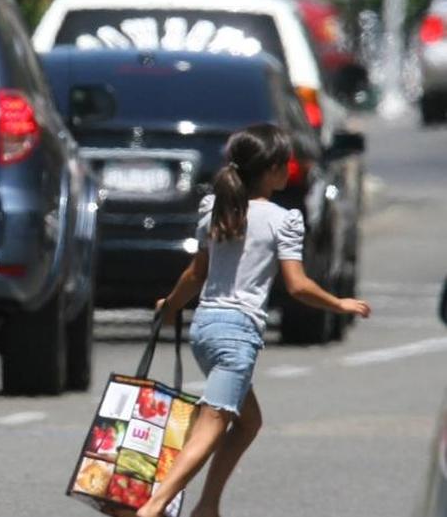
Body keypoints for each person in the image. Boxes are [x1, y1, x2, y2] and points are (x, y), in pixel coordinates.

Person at [134, 123, 371, 517]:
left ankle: (208, 506)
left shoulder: (217, 209)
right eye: (286, 165)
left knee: (247, 422)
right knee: (214, 421)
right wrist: (339, 304)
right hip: (237, 334)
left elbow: (197, 273)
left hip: (206, 329)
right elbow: (297, 285)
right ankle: (154, 506)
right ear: (274, 170)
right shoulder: (283, 219)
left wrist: (172, 304)